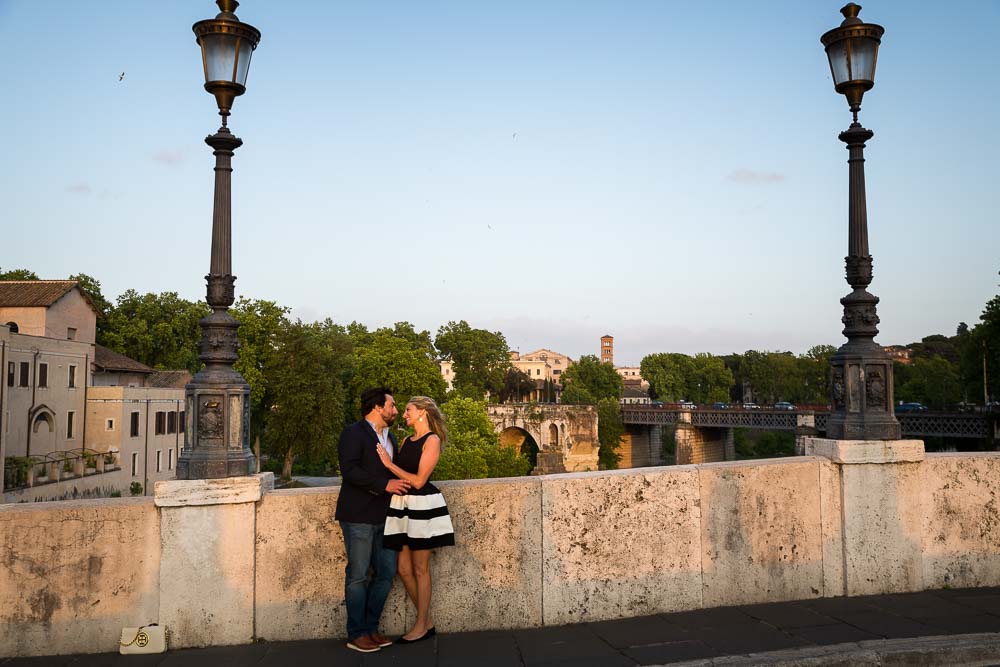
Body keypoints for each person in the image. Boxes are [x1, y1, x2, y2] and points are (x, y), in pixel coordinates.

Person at [335, 387, 411, 653]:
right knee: (357, 576)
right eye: (392, 405)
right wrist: (384, 485)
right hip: (358, 516)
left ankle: (369, 628)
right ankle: (356, 634)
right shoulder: (353, 433)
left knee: (386, 573)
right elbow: (350, 471)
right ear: (377, 407)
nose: (396, 411)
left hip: (386, 517)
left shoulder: (390, 437)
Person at [376, 395, 455, 644]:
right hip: (403, 506)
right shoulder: (408, 440)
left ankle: (420, 625)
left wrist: (389, 465)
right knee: (403, 568)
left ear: (422, 412)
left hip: (422, 506)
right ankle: (427, 621)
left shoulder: (432, 440)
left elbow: (419, 480)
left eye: (408, 409)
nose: (404, 413)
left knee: (421, 569)